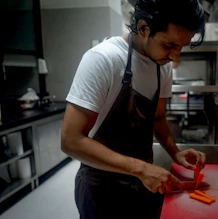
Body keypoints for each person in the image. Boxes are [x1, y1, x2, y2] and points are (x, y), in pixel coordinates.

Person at [61, 0, 206, 218]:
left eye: (181, 47)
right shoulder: (103, 60)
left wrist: (175, 153)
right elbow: (70, 141)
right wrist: (141, 169)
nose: (176, 57)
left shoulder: (162, 68)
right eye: (169, 45)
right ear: (143, 28)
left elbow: (157, 118)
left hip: (144, 186)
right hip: (101, 191)